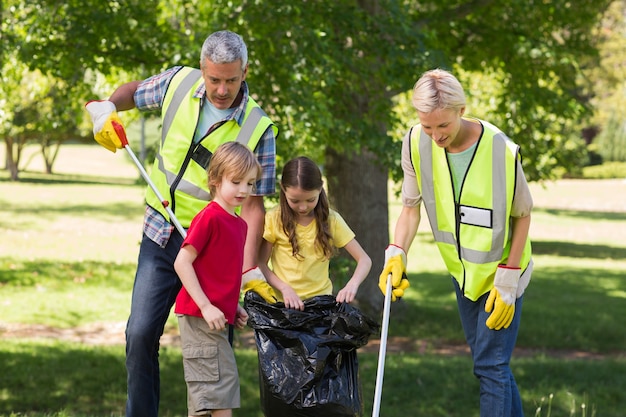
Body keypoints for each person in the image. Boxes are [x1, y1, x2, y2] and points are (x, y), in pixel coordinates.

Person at [85, 30, 278, 417]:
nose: (221, 90)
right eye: (214, 79)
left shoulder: (260, 127)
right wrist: (106, 107)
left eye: (231, 80)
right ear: (203, 69)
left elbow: (255, 207)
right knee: (139, 335)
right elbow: (134, 93)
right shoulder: (179, 82)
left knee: (211, 350)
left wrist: (249, 267)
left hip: (214, 253)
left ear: (245, 72)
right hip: (161, 232)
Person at [379, 68, 533, 417]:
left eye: (443, 126)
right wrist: (397, 253)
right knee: (492, 363)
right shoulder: (415, 142)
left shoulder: (500, 149)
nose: (435, 135)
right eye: (428, 125)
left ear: (461, 110)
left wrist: (508, 277)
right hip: (462, 275)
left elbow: (522, 214)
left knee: (490, 367)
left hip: (502, 274)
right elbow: (409, 208)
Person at [174, 141, 260, 417]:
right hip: (199, 317)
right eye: (236, 182)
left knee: (220, 393)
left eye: (250, 183)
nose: (244, 190)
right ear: (215, 180)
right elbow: (182, 262)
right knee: (209, 399)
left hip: (217, 318)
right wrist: (207, 305)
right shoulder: (209, 218)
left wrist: (230, 304)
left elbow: (220, 272)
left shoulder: (239, 225)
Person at [254, 156, 372, 309]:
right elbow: (261, 263)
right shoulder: (274, 219)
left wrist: (352, 284)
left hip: (321, 307)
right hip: (284, 306)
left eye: (310, 200)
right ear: (283, 189)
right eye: (295, 201)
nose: (303, 207)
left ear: (320, 188)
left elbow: (364, 260)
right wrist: (284, 288)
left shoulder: (331, 220)